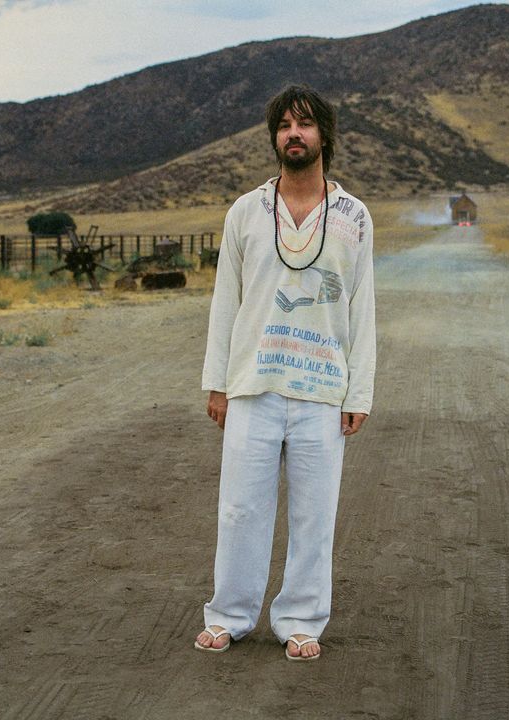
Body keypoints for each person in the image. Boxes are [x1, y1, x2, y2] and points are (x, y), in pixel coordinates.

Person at [194, 85, 376, 662]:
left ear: (324, 135)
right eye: (284, 126)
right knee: (240, 509)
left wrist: (359, 391)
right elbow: (226, 302)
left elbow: (362, 306)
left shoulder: (353, 216)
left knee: (314, 513)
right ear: (275, 138)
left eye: (305, 124)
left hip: (323, 388)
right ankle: (229, 615)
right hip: (253, 383)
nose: (294, 134)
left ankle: (300, 619)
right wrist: (218, 384)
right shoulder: (246, 212)